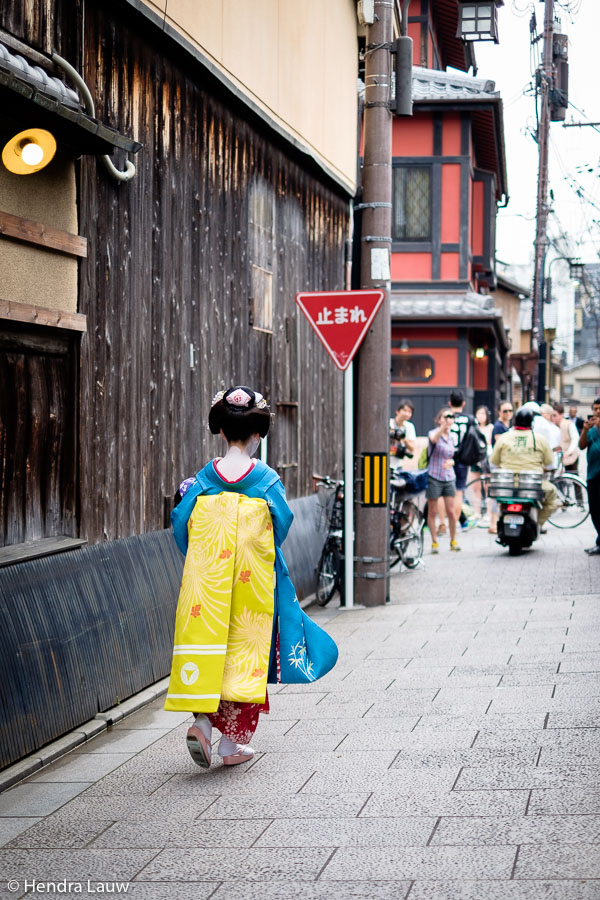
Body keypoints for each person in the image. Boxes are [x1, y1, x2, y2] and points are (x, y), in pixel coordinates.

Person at [165, 386, 337, 768]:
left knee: (207, 645)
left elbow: (181, 527)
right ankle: (231, 744)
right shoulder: (266, 481)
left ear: (222, 432)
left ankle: (202, 725)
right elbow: (281, 525)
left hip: (206, 580)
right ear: (258, 435)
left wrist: (209, 559)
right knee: (245, 652)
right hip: (250, 582)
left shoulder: (202, 481)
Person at [490, 405, 558, 529]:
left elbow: (493, 463)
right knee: (552, 497)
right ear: (532, 423)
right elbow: (550, 464)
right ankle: (537, 525)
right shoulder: (540, 439)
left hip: (507, 485)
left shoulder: (504, 437)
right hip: (532, 485)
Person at [426, 407, 460, 553]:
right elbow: (434, 440)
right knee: (433, 511)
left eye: (451, 417)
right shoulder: (434, 433)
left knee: (451, 511)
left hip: (448, 476)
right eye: (445, 417)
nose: (448, 420)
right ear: (439, 419)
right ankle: (434, 542)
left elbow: (453, 455)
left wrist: (452, 462)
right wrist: (443, 427)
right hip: (434, 475)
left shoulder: (453, 437)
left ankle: (453, 540)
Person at [448, 390, 476, 531]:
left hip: (447, 458)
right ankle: (458, 522)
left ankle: (444, 522)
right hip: (463, 459)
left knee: (446, 491)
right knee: (459, 491)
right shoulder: (469, 419)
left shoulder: (446, 417)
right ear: (463, 403)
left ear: (449, 403)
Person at [579, 396, 600, 555]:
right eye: (595, 409)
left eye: (599, 409)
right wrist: (585, 430)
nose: (597, 412)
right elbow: (581, 445)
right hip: (593, 475)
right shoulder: (591, 430)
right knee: (595, 510)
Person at [489, 401, 514, 534]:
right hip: (498, 464)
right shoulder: (498, 426)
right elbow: (501, 445)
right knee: (497, 494)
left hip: (503, 464)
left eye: (510, 410)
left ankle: (496, 522)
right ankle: (492, 524)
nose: (508, 413)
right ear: (499, 412)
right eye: (505, 411)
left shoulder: (506, 425)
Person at [551, 402, 579, 473]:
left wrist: (569, 451)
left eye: (555, 415)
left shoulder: (569, 424)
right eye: (552, 416)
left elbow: (575, 438)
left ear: (562, 415)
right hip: (558, 458)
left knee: (572, 477)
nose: (553, 418)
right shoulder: (552, 426)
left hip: (570, 458)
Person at [389, 399, 416, 463]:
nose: (407, 414)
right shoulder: (389, 424)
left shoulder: (409, 426)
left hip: (398, 464)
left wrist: (403, 439)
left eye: (409, 412)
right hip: (386, 462)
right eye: (404, 410)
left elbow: (412, 448)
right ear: (397, 411)